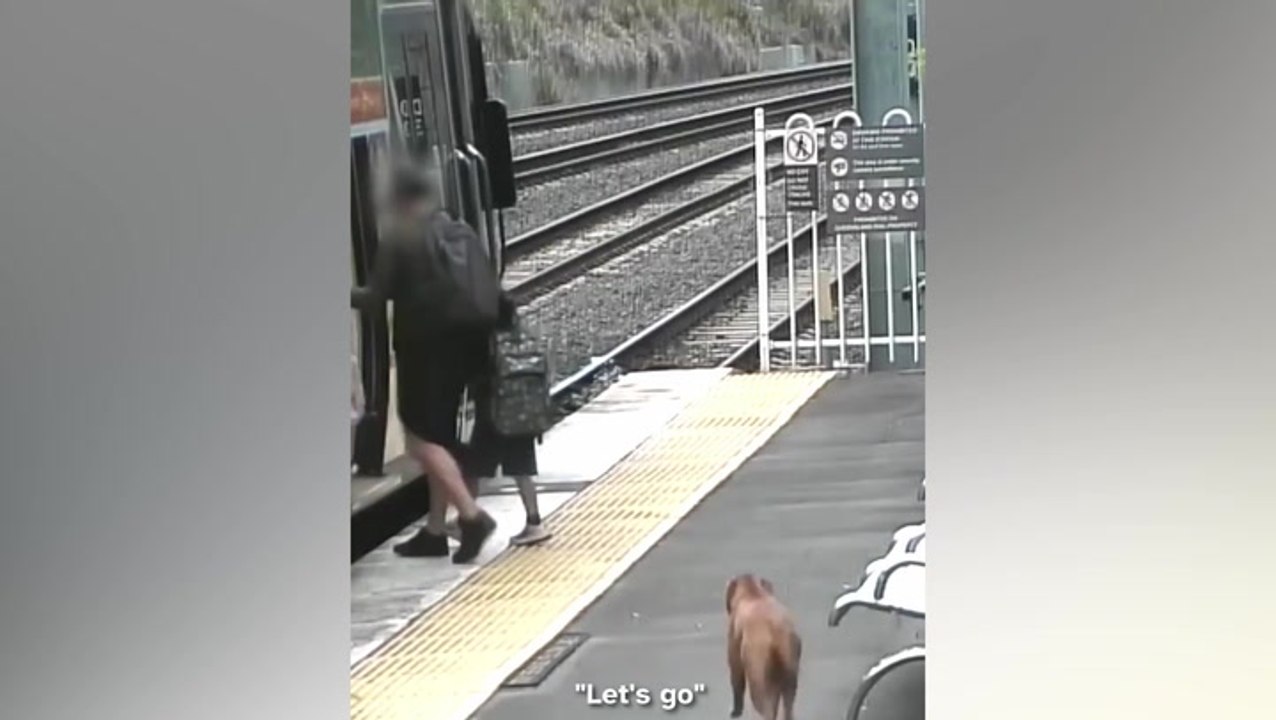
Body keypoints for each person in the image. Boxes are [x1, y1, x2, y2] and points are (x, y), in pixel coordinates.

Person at [350, 161, 504, 564]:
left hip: (424, 352)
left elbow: (375, 296)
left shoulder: (402, 238)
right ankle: (435, 531)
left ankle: (471, 518)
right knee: (442, 437)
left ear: (399, 200)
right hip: (467, 351)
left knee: (421, 441)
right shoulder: (459, 230)